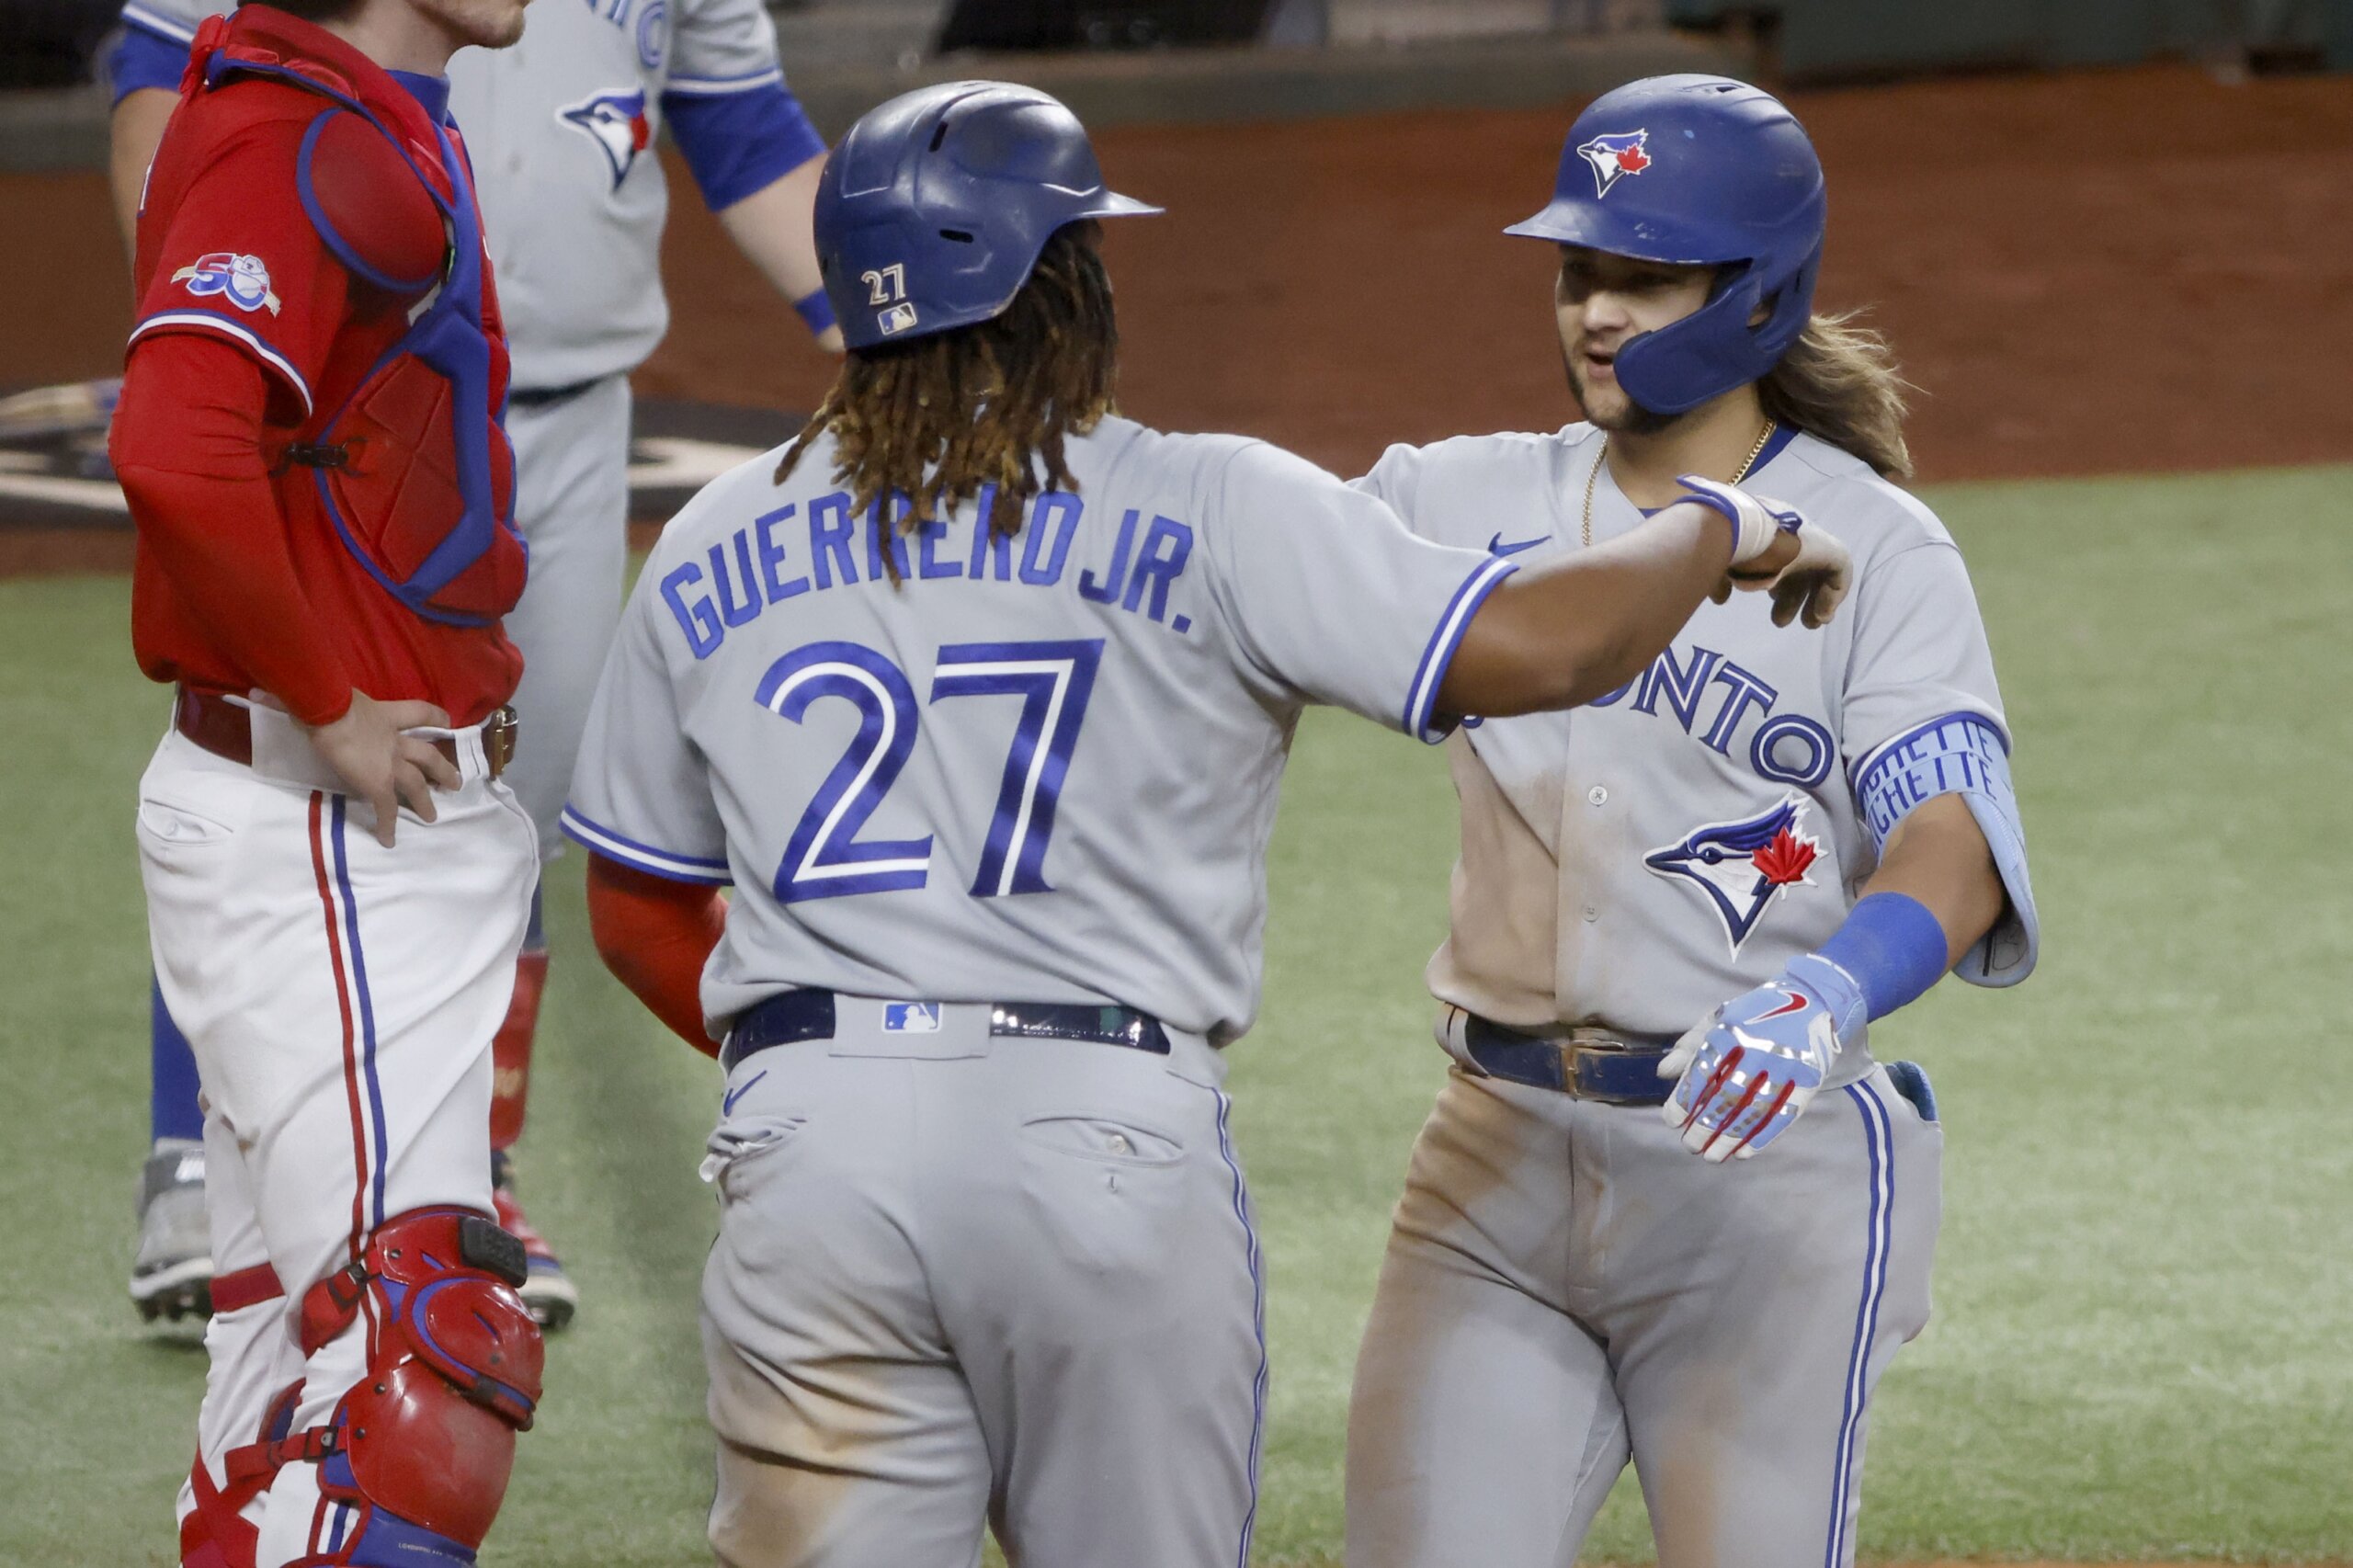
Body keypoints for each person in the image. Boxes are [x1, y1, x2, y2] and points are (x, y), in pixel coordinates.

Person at [565, 79, 1851, 1568]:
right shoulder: (1208, 500)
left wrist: (835, 1072)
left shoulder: (715, 536)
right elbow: (1548, 646)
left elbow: (636, 906)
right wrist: (1721, 521)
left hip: (810, 1150)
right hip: (1101, 1151)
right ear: (1061, 291)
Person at [1341, 74, 2040, 1568]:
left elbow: (1954, 840)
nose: (1595, 311)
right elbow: (1216, 597)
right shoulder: (1453, 501)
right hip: (1492, 1163)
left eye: (1644, 277)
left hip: (1758, 1187)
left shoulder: (1885, 552)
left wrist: (1828, 987)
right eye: (1579, 272)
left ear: (1755, 294)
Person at [107, 0, 840, 1329]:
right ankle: (208, 1150)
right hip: (339, 388)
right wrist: (220, 328)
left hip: (549, 401)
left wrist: (907, 325)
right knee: (296, 774)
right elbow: (167, 90)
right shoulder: (285, 129)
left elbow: (743, 128)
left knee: (503, 795)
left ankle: (454, 1168)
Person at [110, 1, 550, 1562]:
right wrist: (332, 700)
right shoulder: (299, 132)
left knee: (285, 1389)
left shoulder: (362, 113)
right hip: (323, 827)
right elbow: (173, 443)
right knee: (411, 1375)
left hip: (329, 831)